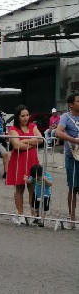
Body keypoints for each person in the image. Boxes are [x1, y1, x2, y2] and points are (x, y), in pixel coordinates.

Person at [6, 105, 42, 225]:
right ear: (17, 117)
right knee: (20, 188)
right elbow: (16, 145)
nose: (26, 117)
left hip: (32, 159)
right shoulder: (13, 129)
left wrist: (25, 141)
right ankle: (21, 215)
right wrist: (32, 142)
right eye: (23, 116)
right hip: (19, 160)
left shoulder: (33, 126)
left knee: (32, 187)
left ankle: (34, 215)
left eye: (27, 115)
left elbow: (40, 139)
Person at [55, 93, 79, 229]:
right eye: (78, 101)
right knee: (73, 188)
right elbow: (58, 132)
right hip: (72, 156)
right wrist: (75, 140)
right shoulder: (65, 117)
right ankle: (72, 219)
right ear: (71, 104)